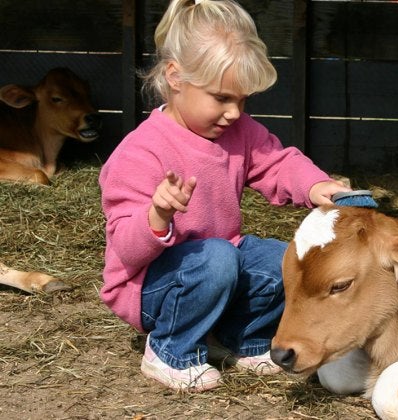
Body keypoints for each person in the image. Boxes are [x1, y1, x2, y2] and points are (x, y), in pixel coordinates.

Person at [98, 0, 350, 392]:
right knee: (216, 258)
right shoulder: (139, 152)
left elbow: (277, 163)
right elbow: (125, 249)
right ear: (175, 77)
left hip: (221, 263)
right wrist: (157, 215)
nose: (234, 113)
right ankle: (170, 349)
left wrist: (316, 186)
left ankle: (240, 339)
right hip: (150, 284)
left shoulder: (238, 132)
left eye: (243, 100)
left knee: (289, 261)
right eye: (221, 98)